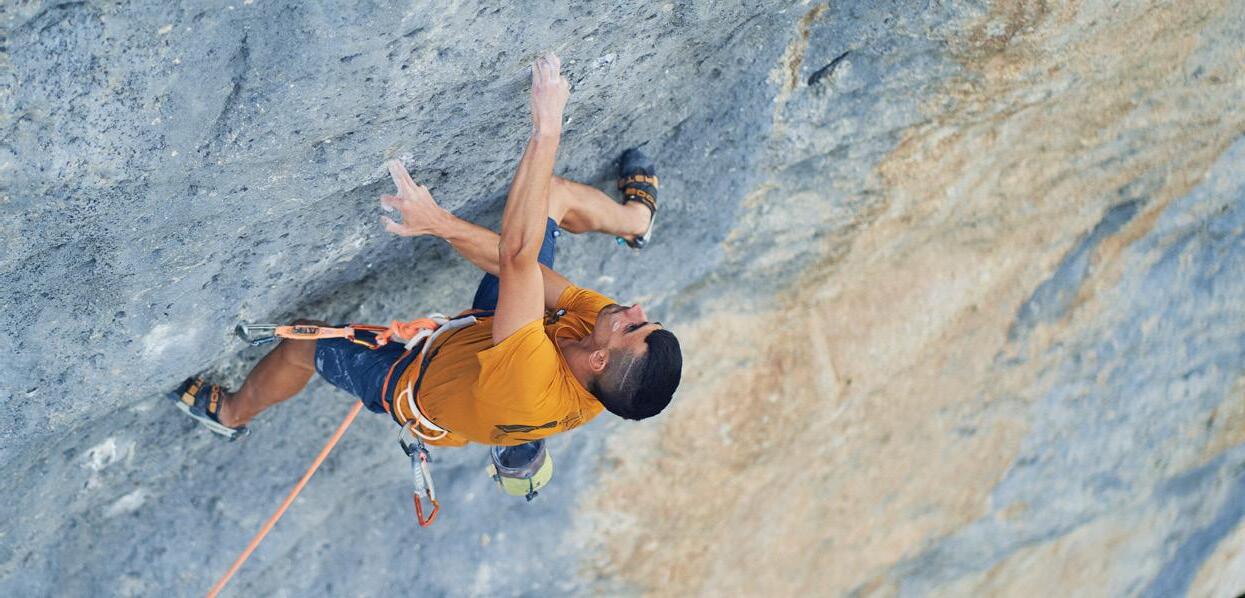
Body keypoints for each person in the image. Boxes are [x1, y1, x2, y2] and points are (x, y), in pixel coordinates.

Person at [170, 53, 682, 449]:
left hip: (418, 387)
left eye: (634, 327)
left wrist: (546, 128)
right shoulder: (601, 336)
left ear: (598, 359)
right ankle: (635, 221)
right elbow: (515, 265)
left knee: (304, 343)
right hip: (493, 336)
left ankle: (232, 414)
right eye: (647, 319)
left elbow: (517, 259)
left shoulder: (532, 382)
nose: (636, 310)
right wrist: (439, 224)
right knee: (549, 196)